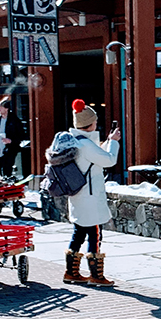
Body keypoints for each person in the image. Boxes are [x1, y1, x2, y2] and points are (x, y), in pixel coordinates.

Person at [60, 99, 121, 287]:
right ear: (90, 124)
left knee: (78, 232)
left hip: (77, 195)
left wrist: (106, 142)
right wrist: (113, 142)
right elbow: (109, 160)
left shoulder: (74, 141)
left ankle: (71, 272)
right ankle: (97, 275)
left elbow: (94, 158)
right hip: (90, 197)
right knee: (95, 234)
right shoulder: (86, 145)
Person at [0, 97, 25, 178]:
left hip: (10, 149)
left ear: (6, 109)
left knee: (8, 169)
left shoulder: (14, 120)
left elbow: (21, 135)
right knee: (0, 171)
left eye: (1, 107)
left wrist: (11, 141)